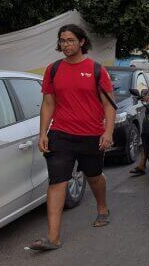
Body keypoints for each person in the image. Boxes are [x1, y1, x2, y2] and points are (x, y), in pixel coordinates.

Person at [29, 24, 116, 251]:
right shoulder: (53, 69)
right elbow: (48, 103)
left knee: (94, 176)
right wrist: (43, 133)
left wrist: (108, 132)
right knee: (57, 181)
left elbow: (109, 105)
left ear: (82, 42)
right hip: (61, 134)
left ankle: (102, 207)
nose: (65, 45)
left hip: (91, 135)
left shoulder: (96, 70)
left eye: (70, 40)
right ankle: (53, 237)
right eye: (62, 40)